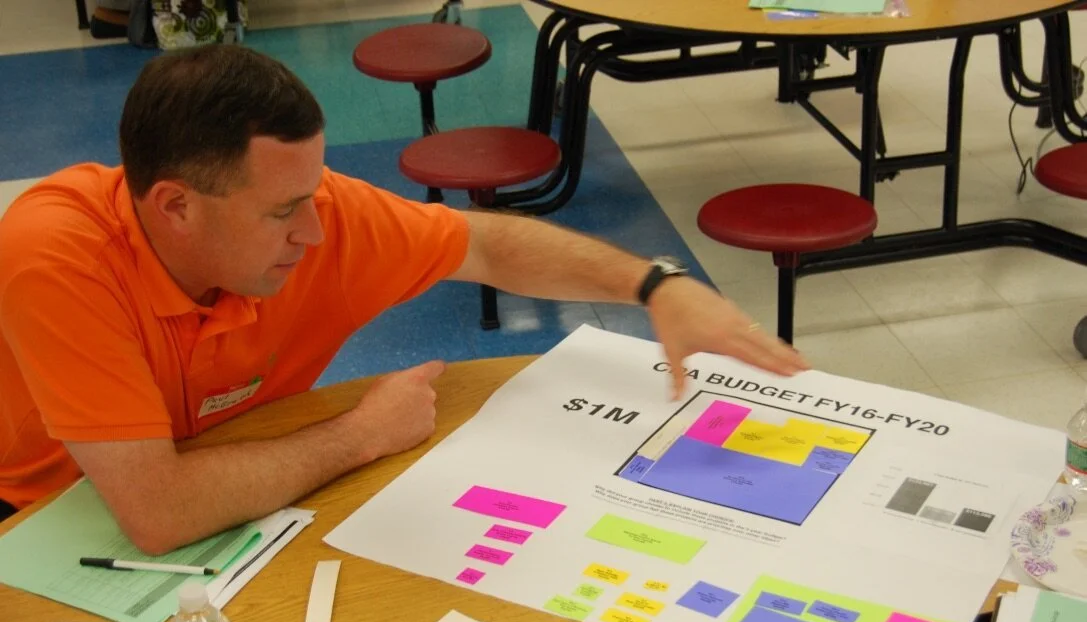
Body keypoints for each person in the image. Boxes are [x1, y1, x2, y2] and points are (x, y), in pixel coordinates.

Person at [0, 45, 807, 552]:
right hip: (52, 525)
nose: (315, 233)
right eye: (283, 211)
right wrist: (359, 434)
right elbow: (156, 511)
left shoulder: (320, 219)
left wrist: (652, 284)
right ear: (174, 207)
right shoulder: (57, 254)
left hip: (239, 491)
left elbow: (488, 242)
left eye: (314, 193)